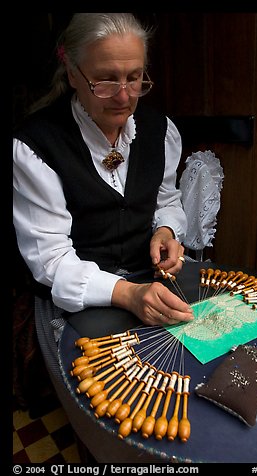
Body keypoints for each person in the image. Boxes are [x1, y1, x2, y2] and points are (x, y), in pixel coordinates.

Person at [13, 13, 193, 462]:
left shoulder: (160, 129)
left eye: (135, 78)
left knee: (193, 377)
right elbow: (51, 261)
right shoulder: (35, 145)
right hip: (76, 293)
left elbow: (166, 198)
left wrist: (167, 230)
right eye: (105, 80)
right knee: (119, 415)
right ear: (72, 72)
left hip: (146, 276)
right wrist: (127, 294)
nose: (125, 96)